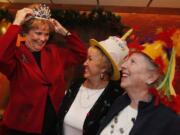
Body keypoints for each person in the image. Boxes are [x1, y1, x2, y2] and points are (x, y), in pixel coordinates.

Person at [0, 4, 87, 135]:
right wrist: (16, 23)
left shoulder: (54, 52)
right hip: (20, 128)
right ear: (25, 33)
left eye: (46, 34)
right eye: (38, 33)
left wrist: (65, 33)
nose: (42, 39)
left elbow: (81, 54)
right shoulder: (16, 54)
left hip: (51, 127)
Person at [97, 31, 180, 135]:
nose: (123, 65)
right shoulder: (120, 101)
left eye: (133, 62)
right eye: (126, 60)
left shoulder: (167, 120)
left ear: (151, 77)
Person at [57, 31, 131, 135]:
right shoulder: (75, 85)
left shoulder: (115, 96)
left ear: (104, 68)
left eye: (90, 59)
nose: (84, 63)